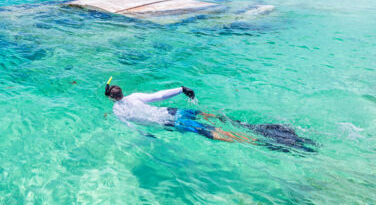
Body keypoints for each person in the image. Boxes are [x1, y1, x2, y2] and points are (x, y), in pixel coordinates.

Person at [105, 78, 316, 151]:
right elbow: (160, 95)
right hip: (173, 111)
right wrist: (181, 89)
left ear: (110, 98)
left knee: (215, 133)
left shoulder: (117, 111)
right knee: (212, 117)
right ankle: (254, 127)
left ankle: (261, 142)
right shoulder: (135, 96)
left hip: (170, 123)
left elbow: (134, 128)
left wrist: (151, 137)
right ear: (121, 91)